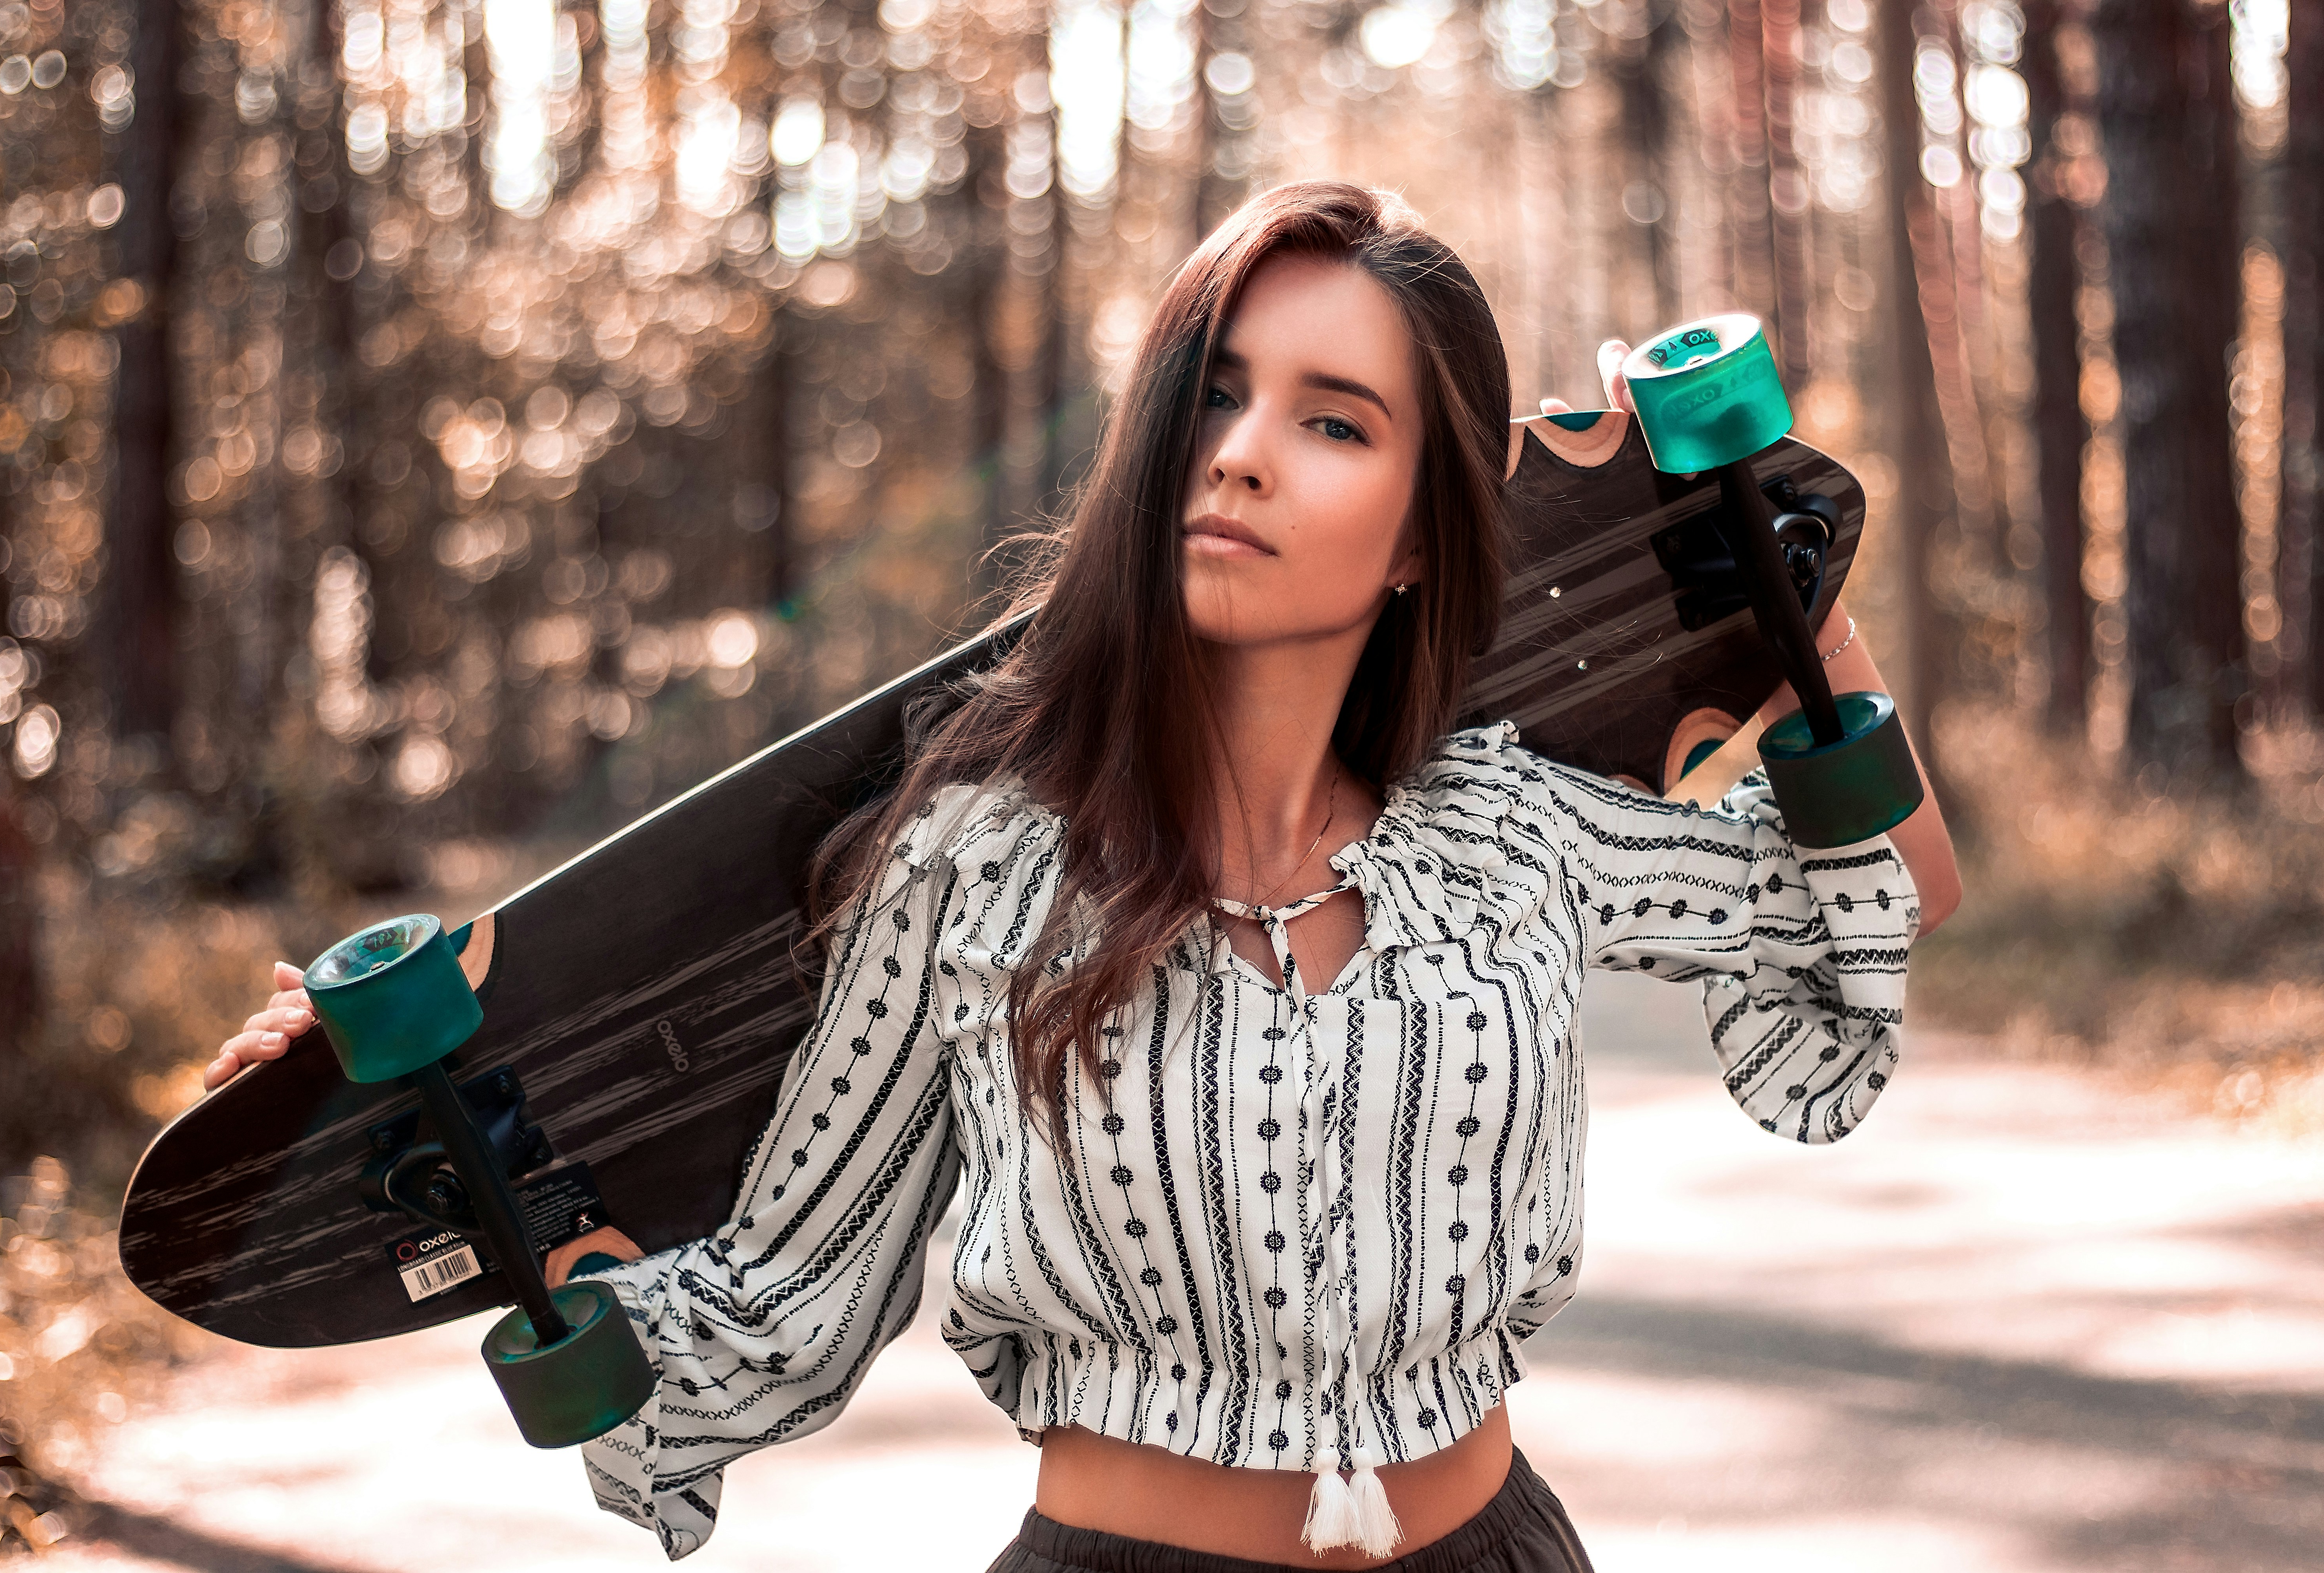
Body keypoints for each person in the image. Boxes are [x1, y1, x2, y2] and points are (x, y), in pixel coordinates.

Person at [208, 182, 1960, 1571]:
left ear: (1428, 533)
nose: (1245, 450)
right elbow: (792, 1295)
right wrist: (443, 1154)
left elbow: (1872, 891)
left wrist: (1755, 541)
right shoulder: (982, 866)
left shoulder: (1511, 837)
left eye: (1335, 421)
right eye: (1214, 393)